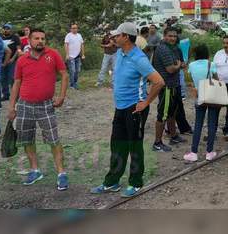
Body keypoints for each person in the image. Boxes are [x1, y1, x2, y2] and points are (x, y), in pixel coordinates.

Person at [91, 22, 166, 198]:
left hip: (135, 108)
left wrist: (146, 102)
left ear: (126, 37)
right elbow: (109, 49)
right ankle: (112, 182)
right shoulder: (120, 53)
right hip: (120, 107)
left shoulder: (139, 58)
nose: (114, 38)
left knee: (134, 146)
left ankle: (135, 182)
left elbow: (159, 81)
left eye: (117, 35)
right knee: (117, 145)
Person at [8, 28, 70, 190]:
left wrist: (61, 96)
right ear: (29, 41)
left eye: (43, 38)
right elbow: (16, 83)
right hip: (24, 105)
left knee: (54, 140)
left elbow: (64, 75)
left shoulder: (53, 54)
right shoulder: (22, 60)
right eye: (36, 38)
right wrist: (11, 106)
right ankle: (35, 170)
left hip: (46, 105)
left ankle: (61, 173)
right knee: (27, 139)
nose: (40, 41)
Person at [183, 44, 220, 162]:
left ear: (196, 54)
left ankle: (194, 152)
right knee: (211, 123)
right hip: (211, 97)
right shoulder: (212, 64)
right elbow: (217, 79)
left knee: (198, 124)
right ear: (207, 53)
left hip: (199, 97)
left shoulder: (192, 65)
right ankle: (209, 152)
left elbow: (191, 78)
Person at [151, 27, 184, 152]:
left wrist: (179, 65)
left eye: (175, 36)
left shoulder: (173, 48)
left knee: (172, 112)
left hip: (173, 84)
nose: (173, 38)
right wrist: (179, 65)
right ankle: (157, 143)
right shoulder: (163, 49)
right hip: (166, 86)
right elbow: (170, 69)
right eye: (170, 36)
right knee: (163, 114)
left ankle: (173, 135)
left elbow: (177, 64)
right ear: (164, 36)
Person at [0, 23, 21, 103]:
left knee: (12, 78)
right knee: (3, 78)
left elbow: (18, 49)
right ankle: (5, 95)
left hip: (12, 60)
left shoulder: (15, 37)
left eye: (8, 28)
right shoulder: (0, 37)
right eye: (5, 28)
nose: (6, 30)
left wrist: (13, 58)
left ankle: (16, 95)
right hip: (2, 61)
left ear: (11, 29)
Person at [63, 23, 85, 90]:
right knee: (72, 71)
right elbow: (66, 45)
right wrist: (67, 54)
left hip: (78, 56)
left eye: (76, 28)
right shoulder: (68, 35)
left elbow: (82, 45)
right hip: (71, 57)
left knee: (77, 70)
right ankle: (72, 85)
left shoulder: (79, 35)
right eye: (73, 28)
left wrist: (83, 54)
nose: (74, 29)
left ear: (77, 29)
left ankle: (75, 83)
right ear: (70, 29)